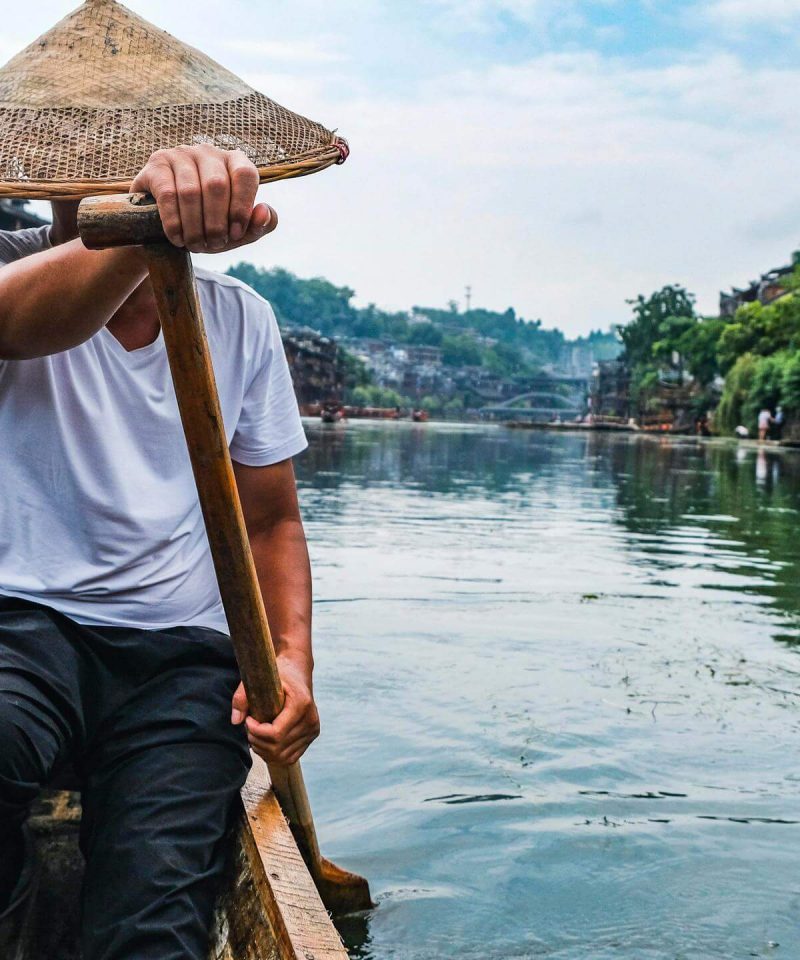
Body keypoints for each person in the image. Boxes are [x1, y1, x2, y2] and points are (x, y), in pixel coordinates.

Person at [0, 2, 344, 956]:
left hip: (181, 657)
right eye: (73, 187)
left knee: (154, 923)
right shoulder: (12, 277)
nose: (80, 204)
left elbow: (271, 520)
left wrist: (293, 664)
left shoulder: (241, 322)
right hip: (22, 630)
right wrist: (142, 234)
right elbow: (23, 322)